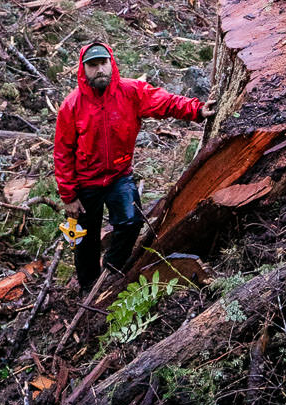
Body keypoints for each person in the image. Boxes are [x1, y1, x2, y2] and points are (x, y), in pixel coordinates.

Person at [53, 40, 212, 290]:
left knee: (130, 222)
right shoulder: (71, 106)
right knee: (86, 239)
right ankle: (88, 286)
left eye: (103, 63)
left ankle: (113, 272)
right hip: (85, 183)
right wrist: (68, 195)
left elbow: (164, 102)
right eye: (92, 65)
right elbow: (63, 152)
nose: (99, 70)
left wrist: (196, 110)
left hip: (118, 176)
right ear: (83, 70)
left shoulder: (131, 92)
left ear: (111, 63)